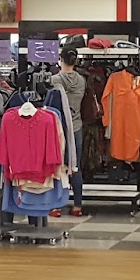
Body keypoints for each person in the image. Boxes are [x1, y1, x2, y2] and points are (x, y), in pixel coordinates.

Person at [49, 48, 88, 217]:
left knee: (57, 165)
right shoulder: (81, 80)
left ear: (61, 59)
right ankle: (77, 206)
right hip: (76, 127)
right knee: (75, 165)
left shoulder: (54, 80)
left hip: (58, 127)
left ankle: (55, 206)